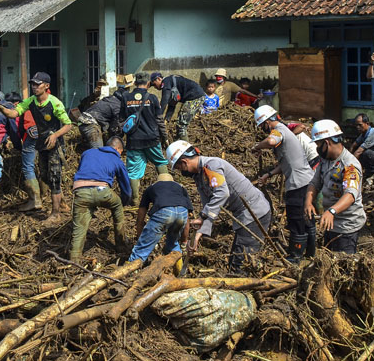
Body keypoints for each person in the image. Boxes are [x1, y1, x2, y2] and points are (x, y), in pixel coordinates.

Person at [167, 140, 271, 273]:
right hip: (244, 215)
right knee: (237, 259)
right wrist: (198, 235)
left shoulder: (212, 165)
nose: (181, 172)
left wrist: (203, 216)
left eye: (179, 168)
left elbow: (222, 193)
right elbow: (209, 206)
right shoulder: (199, 177)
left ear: (184, 162)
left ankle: (246, 289)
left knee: (242, 262)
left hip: (255, 213)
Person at [0, 72, 73, 225]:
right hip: (41, 144)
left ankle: (55, 213)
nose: (34, 87)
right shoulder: (30, 102)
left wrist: (55, 135)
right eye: (33, 84)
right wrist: (2, 109)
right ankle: (62, 203)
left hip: (54, 145)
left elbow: (68, 124)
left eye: (38, 84)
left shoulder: (55, 103)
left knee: (55, 177)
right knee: (44, 176)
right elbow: (15, 112)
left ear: (47, 86)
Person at [251, 106, 316, 262]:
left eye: (262, 126)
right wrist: (269, 174)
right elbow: (287, 162)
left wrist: (257, 146)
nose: (263, 130)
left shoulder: (278, 130)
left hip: (298, 183)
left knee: (296, 219)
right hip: (306, 180)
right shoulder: (287, 131)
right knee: (307, 218)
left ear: (267, 122)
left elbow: (271, 141)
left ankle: (295, 256)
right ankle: (310, 253)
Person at [304, 120, 366, 254]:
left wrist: (332, 211)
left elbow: (350, 195)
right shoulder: (325, 160)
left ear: (326, 143)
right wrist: (308, 202)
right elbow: (314, 183)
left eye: (318, 144)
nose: (316, 148)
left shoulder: (349, 165)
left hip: (346, 227)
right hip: (329, 223)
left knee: (343, 266)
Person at [69, 136, 131, 260]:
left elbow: (83, 170)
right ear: (118, 149)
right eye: (121, 152)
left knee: (79, 227)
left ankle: (74, 259)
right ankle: (121, 245)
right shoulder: (117, 159)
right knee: (117, 206)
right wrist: (124, 202)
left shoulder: (87, 153)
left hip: (80, 192)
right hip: (102, 191)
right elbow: (126, 187)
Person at [120, 72, 169, 203]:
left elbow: (121, 121)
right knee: (160, 162)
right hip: (152, 139)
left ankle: (135, 200)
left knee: (133, 172)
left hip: (134, 141)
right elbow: (160, 121)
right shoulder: (152, 98)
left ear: (135, 83)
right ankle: (167, 191)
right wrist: (165, 137)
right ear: (148, 83)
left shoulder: (125, 97)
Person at [128, 172, 191, 265]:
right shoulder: (181, 188)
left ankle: (130, 272)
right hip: (182, 212)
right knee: (173, 244)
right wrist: (184, 241)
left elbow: (141, 216)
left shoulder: (152, 187)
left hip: (164, 211)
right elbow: (187, 221)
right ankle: (179, 271)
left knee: (142, 249)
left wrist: (140, 237)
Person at [150, 72, 205, 140]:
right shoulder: (170, 83)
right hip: (195, 96)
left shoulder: (166, 82)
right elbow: (172, 105)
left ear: (158, 79)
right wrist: (166, 120)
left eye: (154, 84)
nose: (155, 87)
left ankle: (185, 147)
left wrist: (158, 116)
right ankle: (179, 141)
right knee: (180, 120)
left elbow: (165, 100)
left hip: (195, 97)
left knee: (181, 124)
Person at [76, 85, 126, 149]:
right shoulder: (117, 106)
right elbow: (114, 128)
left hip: (83, 121)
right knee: (98, 150)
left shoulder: (109, 99)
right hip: (90, 123)